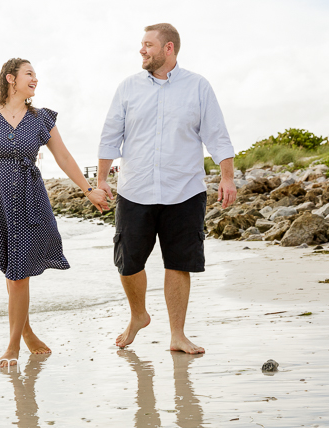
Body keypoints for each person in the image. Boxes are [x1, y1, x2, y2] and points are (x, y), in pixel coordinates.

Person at [0, 58, 109, 367]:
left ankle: (12, 346)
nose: (35, 80)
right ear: (11, 79)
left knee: (19, 274)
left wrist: (88, 189)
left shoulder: (41, 119)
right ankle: (26, 333)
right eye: (30, 74)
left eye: (36, 75)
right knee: (12, 271)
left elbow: (64, 156)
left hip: (30, 199)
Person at [97, 23, 236, 354]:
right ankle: (138, 315)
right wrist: (102, 179)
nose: (142, 50)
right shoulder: (128, 87)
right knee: (128, 262)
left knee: (178, 262)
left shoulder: (198, 86)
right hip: (135, 189)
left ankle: (177, 334)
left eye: (148, 45)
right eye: (141, 44)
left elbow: (217, 134)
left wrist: (228, 177)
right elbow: (110, 134)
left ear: (168, 48)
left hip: (184, 190)